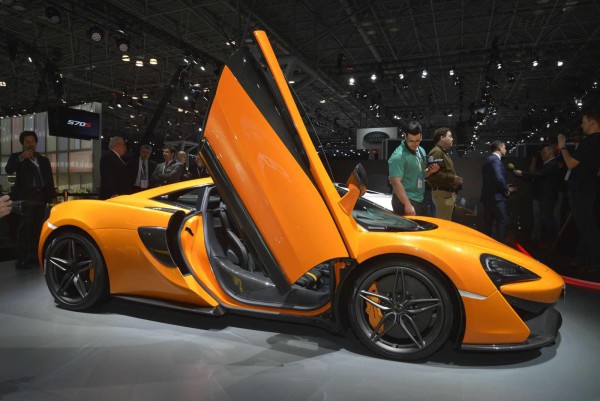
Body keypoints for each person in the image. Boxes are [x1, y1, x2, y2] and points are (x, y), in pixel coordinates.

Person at [4, 130, 57, 269]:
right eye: (27, 142)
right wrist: (21, 158)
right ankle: (21, 260)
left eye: (32, 141)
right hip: (25, 199)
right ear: (23, 143)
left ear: (36, 143)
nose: (30, 144)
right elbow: (8, 170)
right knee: (25, 230)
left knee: (37, 230)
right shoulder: (17, 157)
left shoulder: (43, 160)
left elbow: (49, 180)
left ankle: (34, 257)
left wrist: (52, 197)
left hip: (41, 198)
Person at [557, 101, 600, 270]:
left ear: (592, 122)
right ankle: (582, 258)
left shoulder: (590, 141)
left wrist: (562, 147)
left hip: (580, 188)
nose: (582, 126)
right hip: (590, 187)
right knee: (585, 224)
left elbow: (570, 163)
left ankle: (595, 262)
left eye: (584, 122)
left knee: (587, 226)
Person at [513, 144, 562, 244]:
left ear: (550, 153)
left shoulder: (552, 164)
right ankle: (544, 239)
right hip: (542, 195)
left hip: (547, 196)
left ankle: (552, 241)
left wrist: (522, 173)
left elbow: (539, 175)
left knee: (547, 219)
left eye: (544, 152)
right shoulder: (547, 164)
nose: (541, 154)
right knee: (543, 218)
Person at [388, 121, 440, 216]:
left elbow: (420, 175)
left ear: (421, 137)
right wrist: (407, 204)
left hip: (420, 199)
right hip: (405, 201)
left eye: (417, 140)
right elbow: (395, 182)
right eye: (411, 141)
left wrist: (430, 171)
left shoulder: (421, 150)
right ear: (405, 136)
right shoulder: (398, 156)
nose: (415, 144)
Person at [480, 140, 517, 244]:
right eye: (504, 147)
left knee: (488, 223)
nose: (506, 150)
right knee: (503, 220)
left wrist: (505, 186)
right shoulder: (495, 160)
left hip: (488, 197)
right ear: (500, 148)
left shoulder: (488, 160)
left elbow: (492, 180)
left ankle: (487, 245)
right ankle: (501, 246)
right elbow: (499, 178)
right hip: (496, 198)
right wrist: (506, 190)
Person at [426, 127, 463, 220]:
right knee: (444, 223)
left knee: (445, 221)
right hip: (443, 194)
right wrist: (452, 179)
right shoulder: (437, 152)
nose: (452, 139)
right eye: (450, 136)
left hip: (445, 194)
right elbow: (433, 175)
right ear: (442, 138)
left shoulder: (442, 152)